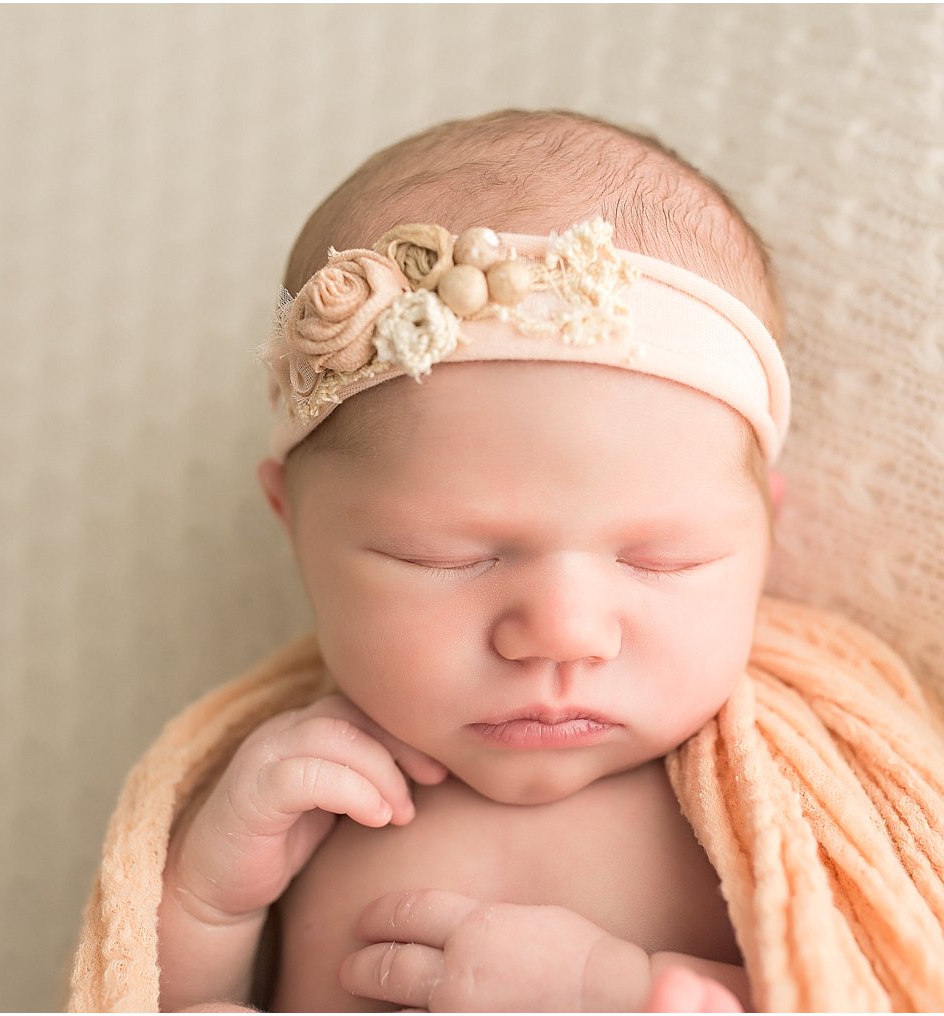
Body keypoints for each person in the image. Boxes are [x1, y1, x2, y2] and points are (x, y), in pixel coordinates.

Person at [156, 106, 793, 1012]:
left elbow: (896, 980)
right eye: (443, 557)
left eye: (664, 558)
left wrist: (616, 990)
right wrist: (206, 909)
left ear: (763, 535)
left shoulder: (779, 807)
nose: (562, 635)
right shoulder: (299, 796)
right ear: (291, 523)